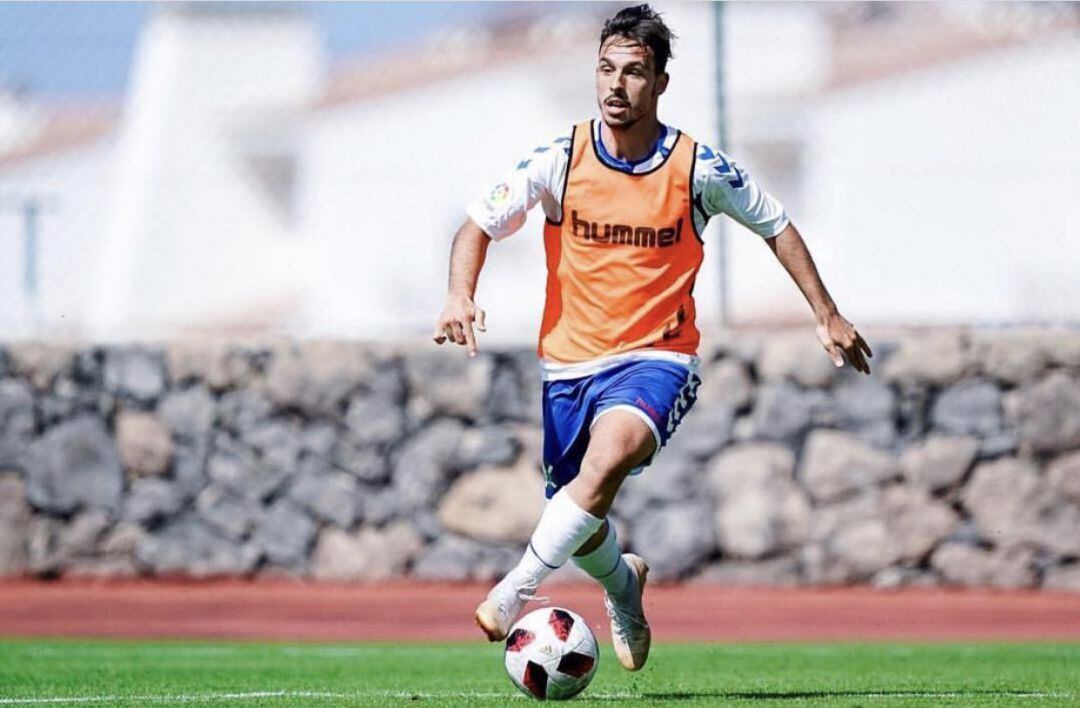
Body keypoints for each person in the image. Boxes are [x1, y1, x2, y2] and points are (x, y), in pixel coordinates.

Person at [432, 4, 871, 671]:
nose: (615, 86)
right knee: (582, 513)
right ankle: (622, 584)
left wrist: (826, 313)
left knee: (606, 462)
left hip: (658, 357)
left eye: (633, 72)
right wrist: (460, 294)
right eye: (606, 69)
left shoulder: (699, 168)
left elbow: (776, 225)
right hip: (566, 368)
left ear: (660, 82)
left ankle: (513, 589)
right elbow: (477, 225)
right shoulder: (561, 157)